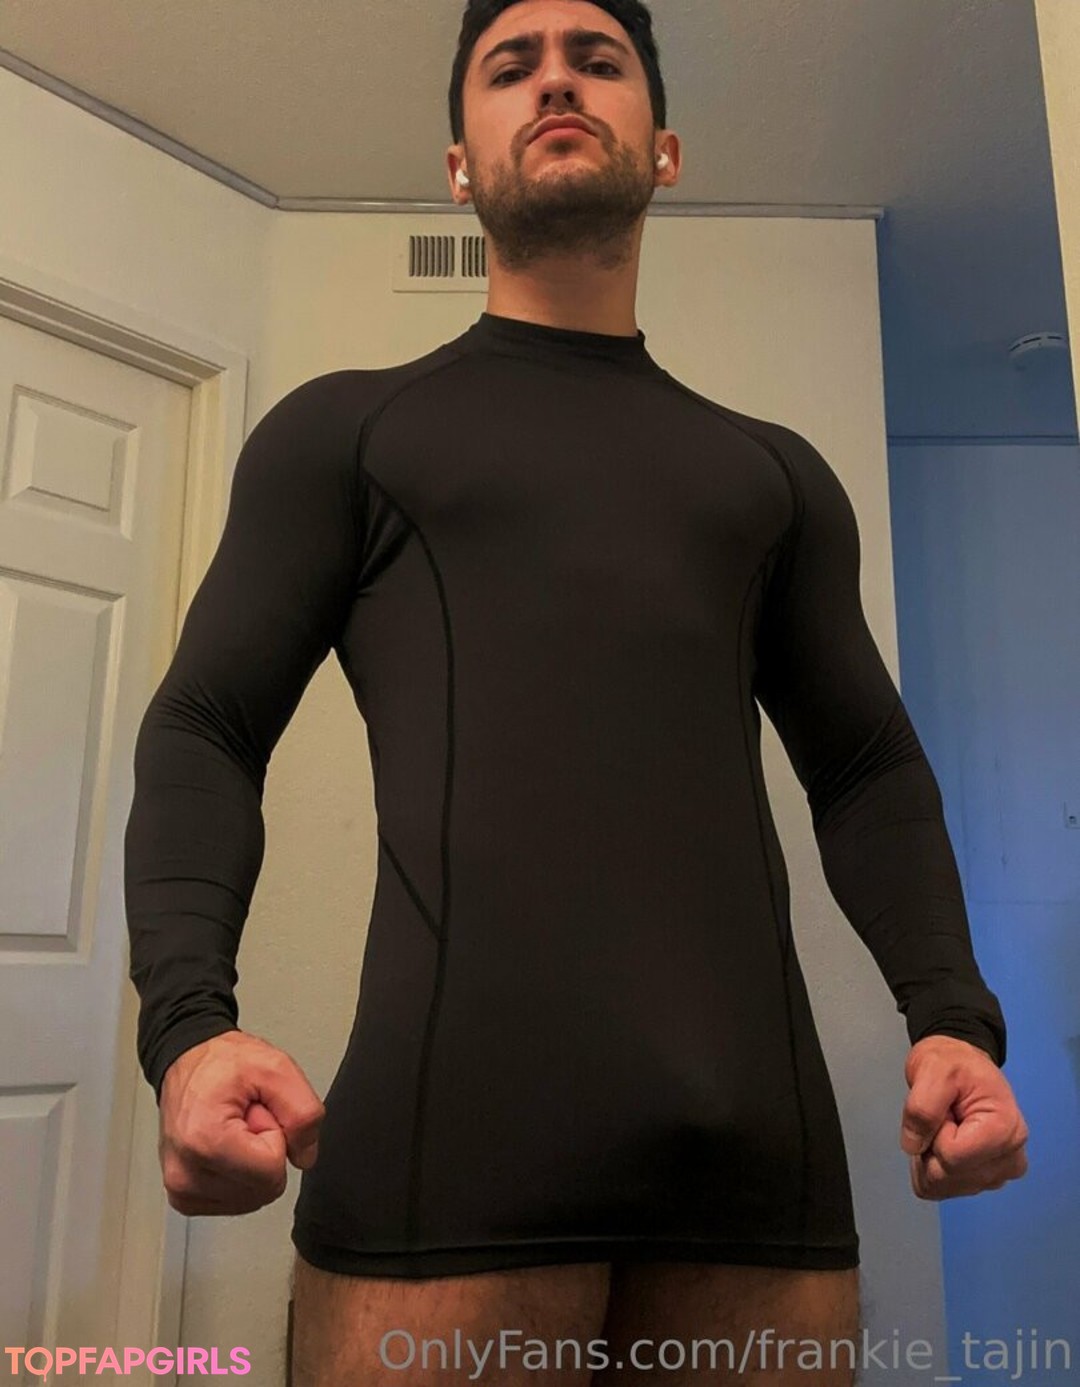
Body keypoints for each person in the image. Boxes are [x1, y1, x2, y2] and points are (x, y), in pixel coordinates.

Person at [123, 1, 1030, 1382]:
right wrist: (188, 1032)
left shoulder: (774, 476)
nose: (557, 80)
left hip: (758, 1175)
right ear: (458, 166)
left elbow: (867, 769)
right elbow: (206, 724)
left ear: (663, 150)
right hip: (440, 1168)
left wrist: (954, 1017)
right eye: (514, 66)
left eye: (597, 61)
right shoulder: (347, 434)